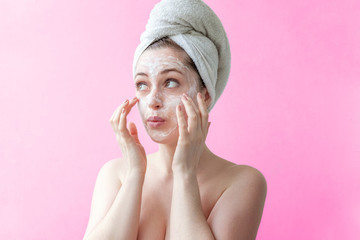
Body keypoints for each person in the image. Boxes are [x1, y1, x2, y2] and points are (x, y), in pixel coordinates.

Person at [83, 0, 267, 239]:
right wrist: (135, 175)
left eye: (170, 82)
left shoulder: (241, 182)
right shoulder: (115, 174)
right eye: (142, 84)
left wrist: (184, 172)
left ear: (205, 95)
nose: (152, 100)